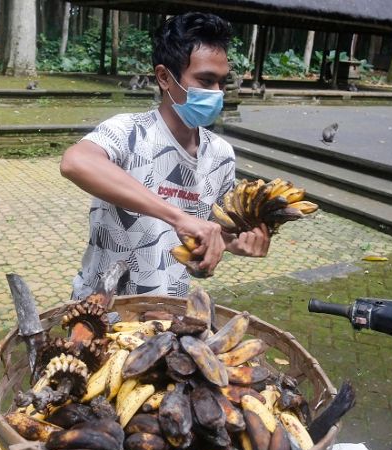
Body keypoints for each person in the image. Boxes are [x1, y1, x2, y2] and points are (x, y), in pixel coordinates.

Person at [60, 12, 270, 299]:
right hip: (99, 310)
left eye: (222, 82)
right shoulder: (127, 131)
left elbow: (210, 235)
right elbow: (75, 162)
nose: (217, 93)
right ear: (164, 78)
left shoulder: (221, 155)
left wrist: (233, 244)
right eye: (206, 81)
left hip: (169, 312)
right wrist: (178, 217)